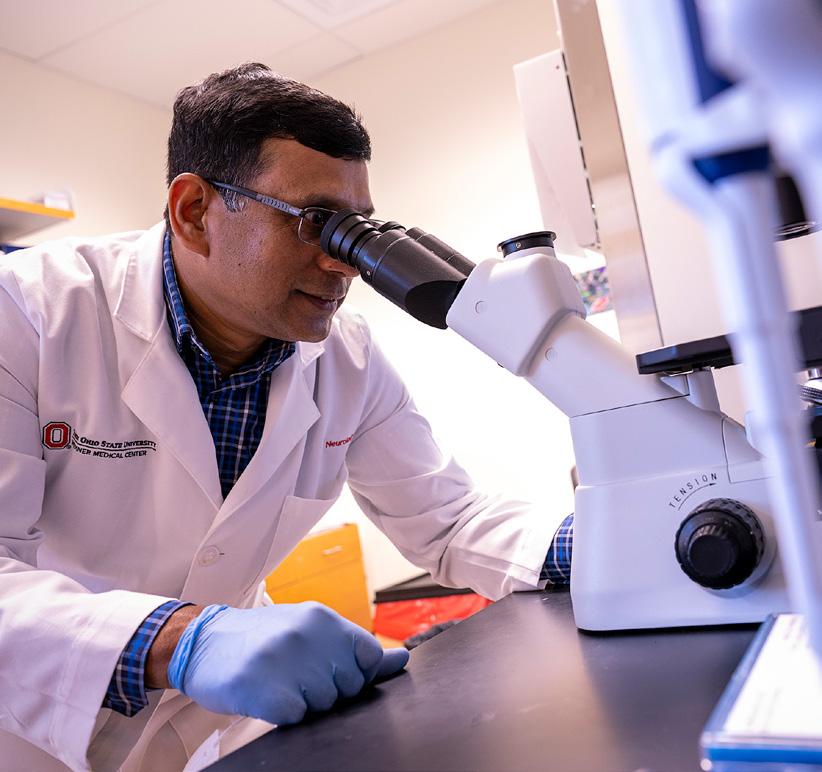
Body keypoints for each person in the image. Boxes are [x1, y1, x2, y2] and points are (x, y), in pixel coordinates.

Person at [0, 63, 571, 771]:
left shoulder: (347, 357)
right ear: (194, 211)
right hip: (28, 731)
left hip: (221, 729)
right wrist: (180, 643)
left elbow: (449, 520)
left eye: (358, 230)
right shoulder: (26, 313)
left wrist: (594, 544)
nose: (346, 265)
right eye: (315, 223)